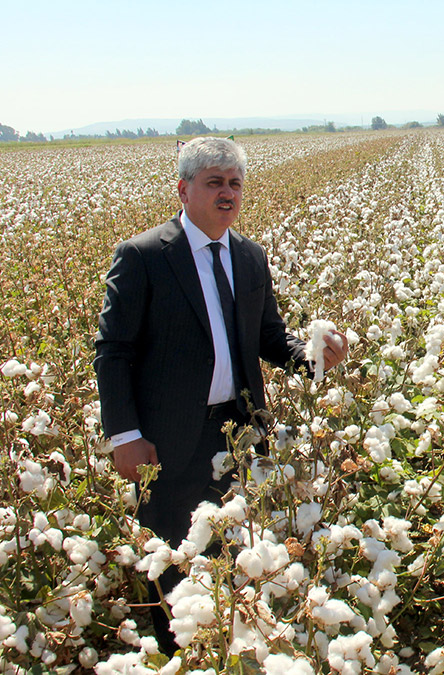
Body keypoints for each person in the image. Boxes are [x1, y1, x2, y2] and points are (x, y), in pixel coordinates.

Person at [94, 136, 348, 651]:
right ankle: (180, 655)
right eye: (214, 182)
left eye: (234, 183)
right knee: (173, 564)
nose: (227, 193)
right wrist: (125, 435)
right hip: (167, 441)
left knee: (242, 555)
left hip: (243, 432)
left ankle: (236, 651)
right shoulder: (144, 256)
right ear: (183, 190)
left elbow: (268, 337)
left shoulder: (250, 257)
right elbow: (113, 351)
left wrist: (315, 356)